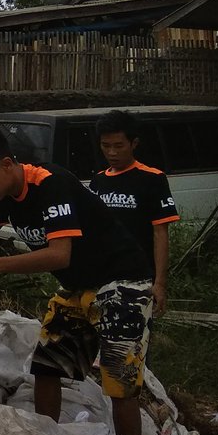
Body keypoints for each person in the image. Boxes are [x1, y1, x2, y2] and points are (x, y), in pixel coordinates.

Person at [0, 121, 154, 435]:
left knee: (119, 381)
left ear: (5, 164)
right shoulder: (6, 193)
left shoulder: (51, 184)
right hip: (80, 287)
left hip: (123, 282)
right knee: (47, 367)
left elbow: (60, 255)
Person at [89, 110, 180, 316]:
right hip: (103, 276)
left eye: (119, 146)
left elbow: (160, 233)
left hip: (139, 277)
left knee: (133, 340)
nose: (112, 152)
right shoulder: (98, 181)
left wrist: (160, 283)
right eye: (106, 146)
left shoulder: (152, 179)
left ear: (134, 143)